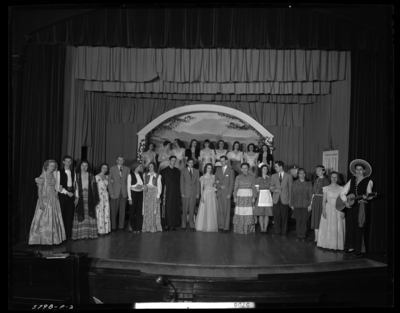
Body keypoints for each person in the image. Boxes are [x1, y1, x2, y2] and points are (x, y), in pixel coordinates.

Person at [340, 159, 374, 257]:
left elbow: (370, 195)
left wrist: (367, 197)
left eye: (360, 170)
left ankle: (358, 249)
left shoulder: (369, 181)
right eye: (357, 169)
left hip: (361, 206)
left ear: (364, 171)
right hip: (350, 206)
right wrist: (345, 201)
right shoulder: (352, 180)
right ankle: (350, 247)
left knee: (359, 227)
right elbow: (343, 192)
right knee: (350, 226)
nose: (358, 171)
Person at [29, 160, 66, 245]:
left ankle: (52, 239)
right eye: (51, 166)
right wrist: (41, 202)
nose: (52, 167)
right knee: (43, 219)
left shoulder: (53, 175)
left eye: (54, 166)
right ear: (46, 166)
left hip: (53, 199)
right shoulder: (43, 176)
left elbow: (55, 187)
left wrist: (58, 190)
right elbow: (39, 191)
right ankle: (42, 240)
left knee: (53, 219)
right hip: (45, 200)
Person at [72, 160, 100, 240]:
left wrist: (94, 198)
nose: (84, 167)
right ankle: (79, 235)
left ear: (88, 167)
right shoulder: (76, 175)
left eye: (86, 166)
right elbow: (74, 187)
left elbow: (93, 187)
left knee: (89, 214)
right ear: (80, 166)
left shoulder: (91, 175)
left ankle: (89, 234)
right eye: (82, 165)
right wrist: (76, 197)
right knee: (79, 213)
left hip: (89, 196)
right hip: (79, 196)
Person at [317, 171, 345, 250]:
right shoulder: (326, 188)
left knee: (337, 227)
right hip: (329, 208)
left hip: (338, 209)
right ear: (330, 178)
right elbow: (324, 201)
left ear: (338, 178)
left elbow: (343, 201)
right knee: (328, 226)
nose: (334, 179)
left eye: (336, 177)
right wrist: (323, 210)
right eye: (332, 177)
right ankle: (327, 244)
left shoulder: (341, 188)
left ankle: (337, 245)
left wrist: (343, 211)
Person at [270, 161, 293, 238]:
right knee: (276, 217)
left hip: (285, 199)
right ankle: (277, 232)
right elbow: (271, 186)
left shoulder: (289, 176)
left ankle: (284, 232)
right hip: (276, 199)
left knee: (285, 217)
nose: (275, 168)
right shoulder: (273, 176)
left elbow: (290, 189)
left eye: (276, 166)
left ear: (281, 167)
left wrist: (290, 200)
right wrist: (274, 190)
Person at [233, 163, 257, 235]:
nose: (244, 170)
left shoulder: (252, 177)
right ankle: (240, 229)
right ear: (241, 169)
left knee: (248, 212)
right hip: (240, 196)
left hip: (249, 196)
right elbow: (235, 187)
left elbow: (254, 188)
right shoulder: (238, 177)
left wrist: (254, 197)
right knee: (240, 211)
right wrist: (235, 196)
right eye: (243, 168)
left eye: (245, 168)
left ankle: (248, 229)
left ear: (248, 169)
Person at [290, 168, 313, 241]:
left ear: (305, 174)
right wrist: (292, 204)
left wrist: (310, 205)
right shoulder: (294, 183)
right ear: (298, 175)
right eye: (300, 173)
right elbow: (292, 194)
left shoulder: (309, 183)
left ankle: (303, 235)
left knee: (304, 221)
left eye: (303, 173)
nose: (302, 175)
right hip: (296, 204)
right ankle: (298, 235)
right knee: (298, 220)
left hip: (306, 205)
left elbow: (311, 195)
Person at [108, 155, 129, 232]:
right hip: (114, 193)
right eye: (119, 160)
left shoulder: (127, 169)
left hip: (124, 193)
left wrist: (128, 194)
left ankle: (121, 226)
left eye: (122, 160)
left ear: (123, 161)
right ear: (116, 161)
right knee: (113, 211)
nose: (120, 162)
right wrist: (111, 193)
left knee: (123, 211)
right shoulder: (111, 169)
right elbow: (109, 182)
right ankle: (113, 227)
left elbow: (128, 182)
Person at [195, 163, 218, 232]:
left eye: (210, 168)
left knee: (212, 209)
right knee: (205, 209)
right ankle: (202, 225)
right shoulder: (203, 177)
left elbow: (215, 185)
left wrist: (215, 187)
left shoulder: (213, 176)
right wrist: (201, 197)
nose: (209, 169)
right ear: (205, 168)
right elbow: (201, 188)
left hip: (212, 194)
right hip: (205, 194)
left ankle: (211, 226)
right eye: (208, 168)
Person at [309, 165, 330, 244]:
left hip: (322, 200)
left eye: (319, 170)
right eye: (316, 171)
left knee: (321, 219)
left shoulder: (326, 181)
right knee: (315, 218)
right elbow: (313, 193)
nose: (317, 172)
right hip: (315, 200)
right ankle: (316, 239)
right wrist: (310, 204)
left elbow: (327, 193)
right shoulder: (316, 180)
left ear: (323, 171)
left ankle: (322, 239)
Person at [160, 156, 181, 231]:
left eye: (175, 160)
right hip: (167, 192)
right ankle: (166, 224)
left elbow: (179, 183)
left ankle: (173, 225)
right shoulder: (164, 171)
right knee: (167, 207)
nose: (174, 162)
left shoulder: (177, 171)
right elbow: (161, 183)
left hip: (175, 192)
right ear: (169, 161)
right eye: (172, 160)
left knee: (174, 207)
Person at [215, 155, 235, 233]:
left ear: (226, 161)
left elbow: (232, 183)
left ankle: (226, 227)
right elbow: (215, 180)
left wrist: (230, 193)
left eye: (223, 161)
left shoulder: (231, 170)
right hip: (220, 192)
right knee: (220, 210)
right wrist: (220, 185)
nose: (222, 162)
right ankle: (220, 225)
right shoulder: (218, 169)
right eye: (221, 161)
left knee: (226, 210)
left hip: (227, 193)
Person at [57, 155, 75, 240]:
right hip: (63, 195)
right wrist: (67, 192)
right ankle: (61, 236)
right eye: (66, 161)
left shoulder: (73, 172)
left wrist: (75, 195)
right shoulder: (58, 172)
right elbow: (57, 187)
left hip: (71, 195)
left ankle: (68, 235)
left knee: (69, 215)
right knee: (62, 215)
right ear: (63, 162)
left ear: (71, 162)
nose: (68, 163)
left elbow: (75, 185)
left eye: (69, 161)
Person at [142, 162, 163, 233]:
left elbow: (159, 187)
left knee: (154, 211)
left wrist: (158, 196)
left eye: (151, 166)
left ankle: (153, 227)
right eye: (149, 166)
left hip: (154, 194)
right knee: (147, 210)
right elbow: (144, 185)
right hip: (147, 194)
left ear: (154, 167)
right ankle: (147, 227)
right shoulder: (145, 175)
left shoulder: (158, 176)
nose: (150, 167)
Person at [180, 158, 200, 231]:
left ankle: (192, 224)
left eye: (192, 163)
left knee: (192, 209)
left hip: (193, 193)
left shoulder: (196, 171)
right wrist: (182, 193)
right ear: (187, 163)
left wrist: (198, 193)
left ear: (193, 163)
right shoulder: (183, 171)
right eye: (189, 162)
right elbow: (181, 183)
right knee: (185, 209)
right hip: (185, 193)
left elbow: (198, 183)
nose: (191, 164)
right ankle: (183, 224)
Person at [254, 164, 273, 234]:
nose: (265, 170)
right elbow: (257, 189)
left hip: (268, 196)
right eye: (264, 169)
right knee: (261, 214)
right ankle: (262, 228)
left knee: (267, 214)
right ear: (261, 170)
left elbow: (271, 188)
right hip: (261, 196)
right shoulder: (258, 179)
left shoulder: (270, 178)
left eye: (266, 169)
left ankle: (266, 228)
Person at [127, 162, 145, 233]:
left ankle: (138, 228)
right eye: (139, 166)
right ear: (135, 167)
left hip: (140, 194)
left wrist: (141, 187)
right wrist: (130, 198)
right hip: (133, 194)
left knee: (139, 212)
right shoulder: (130, 175)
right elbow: (128, 187)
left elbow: (143, 185)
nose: (140, 167)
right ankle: (133, 228)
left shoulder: (141, 174)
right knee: (132, 212)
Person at [95, 163, 111, 235]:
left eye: (106, 168)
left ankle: (105, 229)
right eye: (103, 168)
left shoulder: (107, 177)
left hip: (106, 196)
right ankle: (99, 230)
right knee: (99, 212)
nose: (105, 169)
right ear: (100, 168)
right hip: (99, 196)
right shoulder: (96, 177)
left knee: (106, 212)